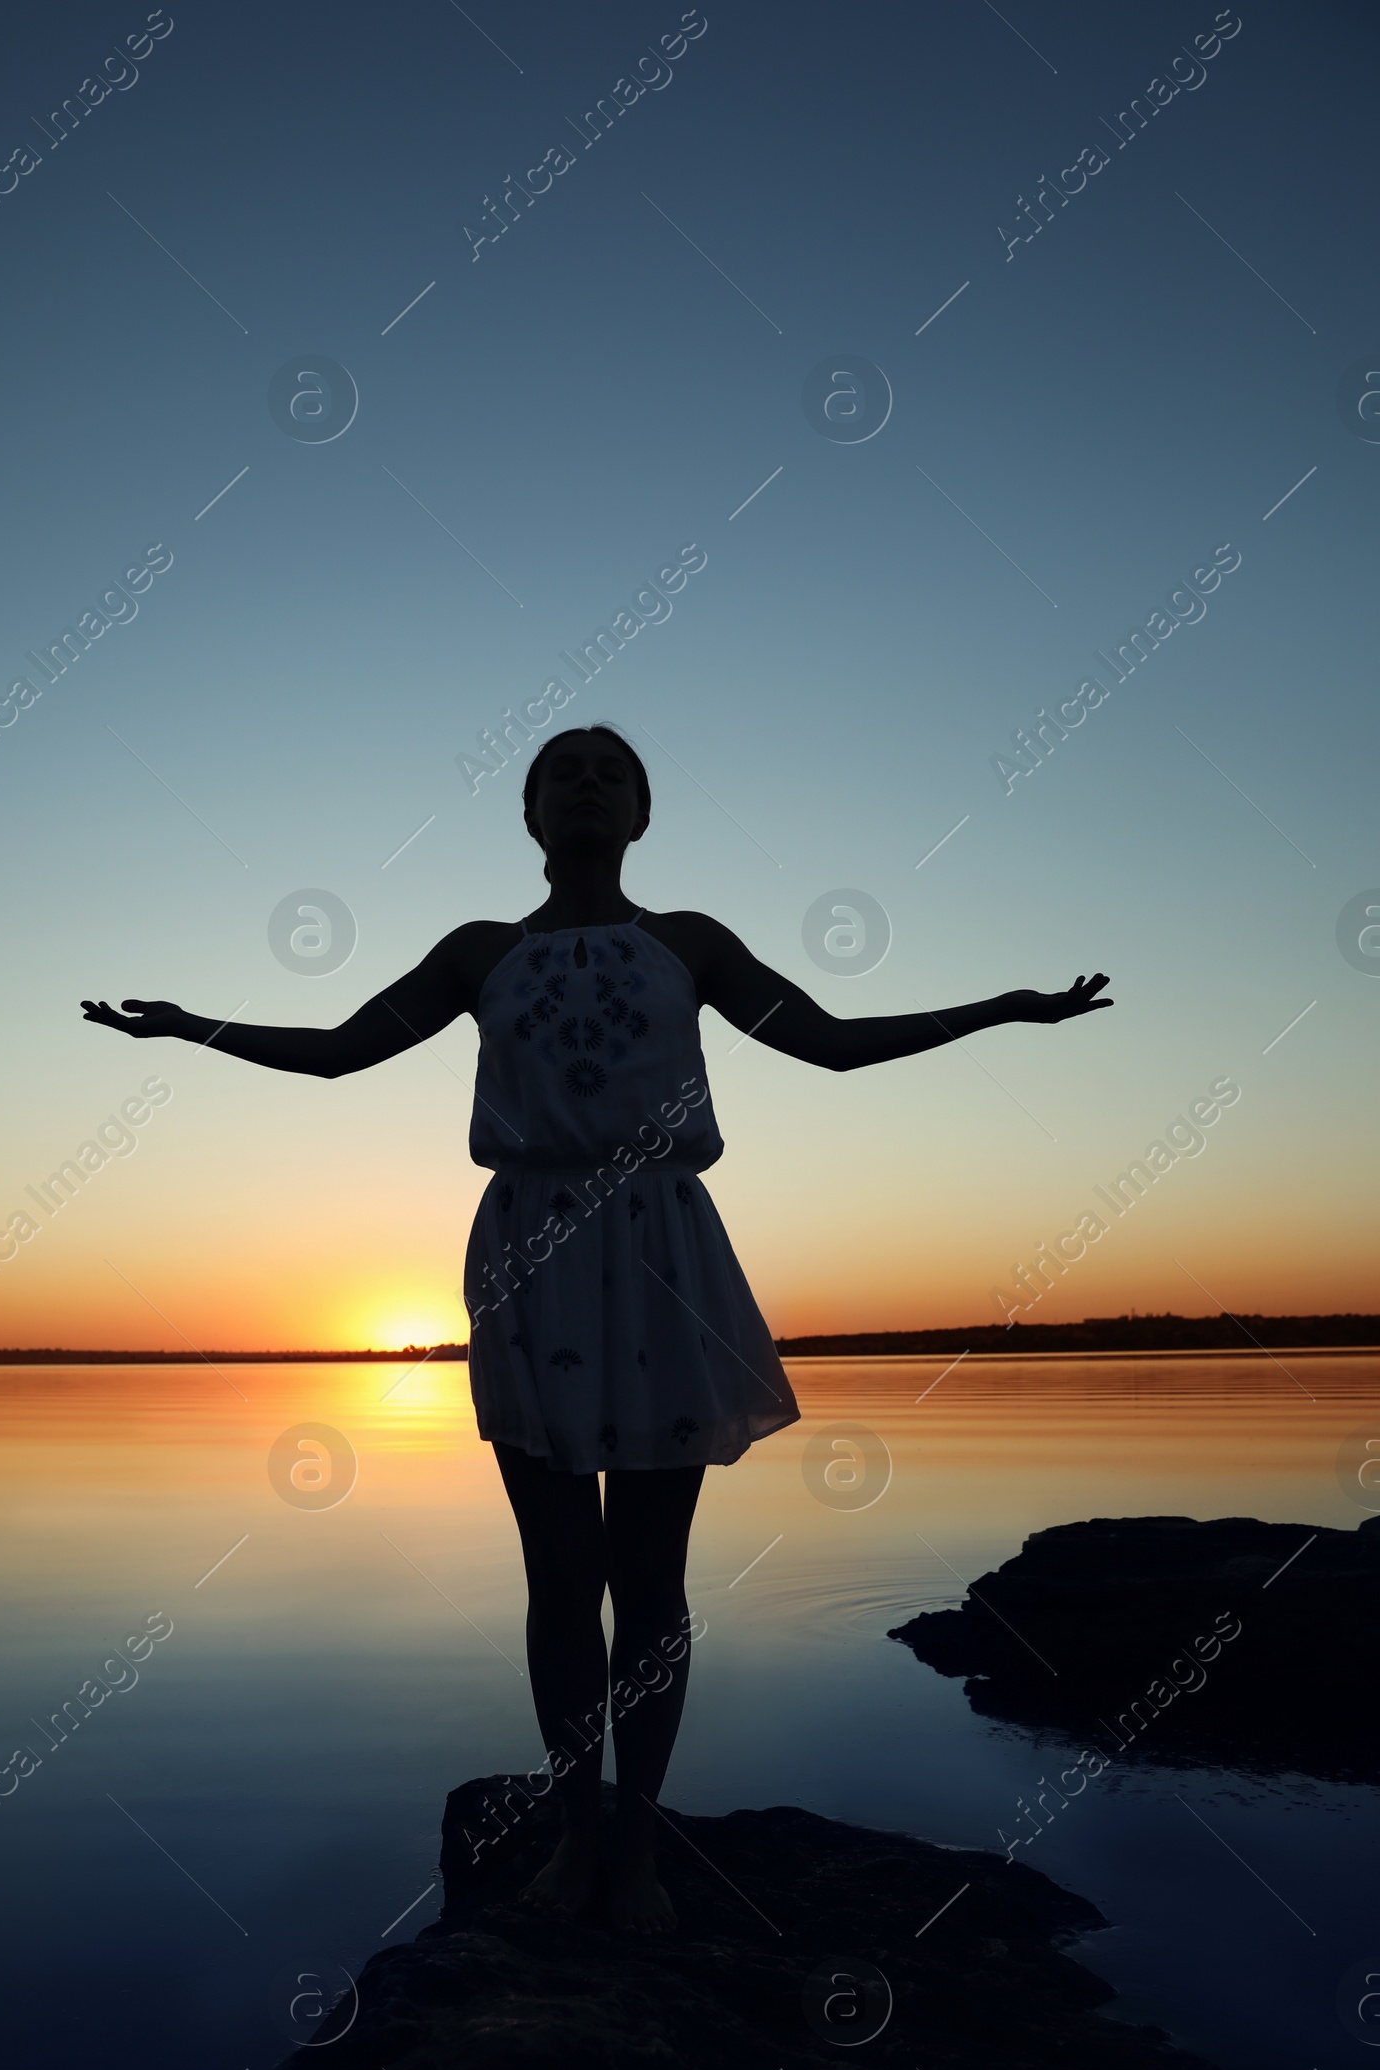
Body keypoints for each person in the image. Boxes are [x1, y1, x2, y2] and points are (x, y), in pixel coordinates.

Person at [82, 724, 1111, 1932]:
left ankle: (640, 1844)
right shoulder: (480, 952)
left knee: (652, 1576)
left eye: (606, 771)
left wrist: (1000, 1009)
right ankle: (578, 1832)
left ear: (640, 816)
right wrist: (189, 1026)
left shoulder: (688, 944)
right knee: (562, 1577)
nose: (583, 783)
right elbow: (338, 1054)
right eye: (559, 771)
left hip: (667, 1252)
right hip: (533, 1255)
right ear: (526, 816)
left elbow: (829, 1044)